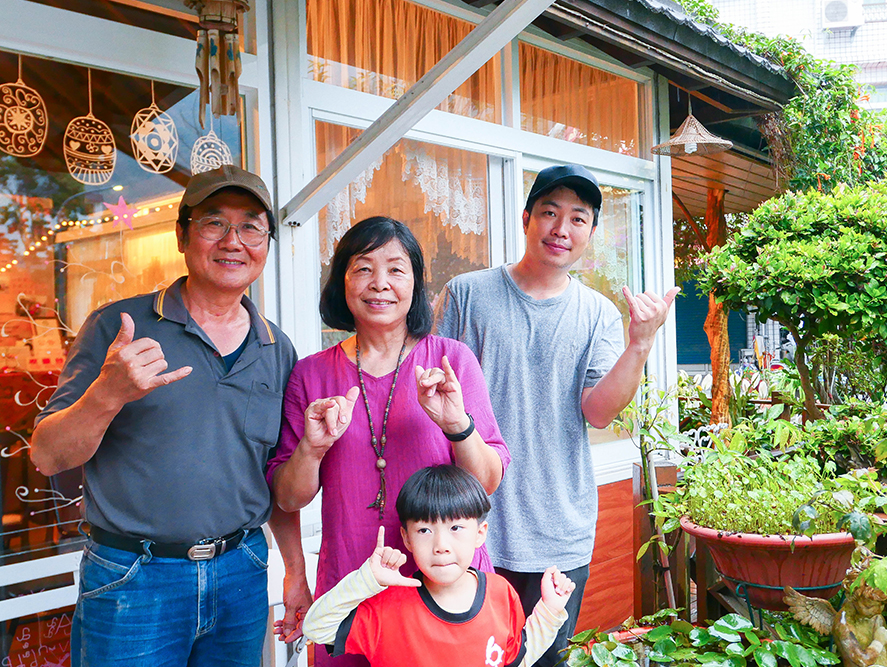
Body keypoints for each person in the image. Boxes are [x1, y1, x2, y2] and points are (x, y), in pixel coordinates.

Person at [29, 165, 311, 666]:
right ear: (182, 235)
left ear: (266, 243)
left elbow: (273, 476)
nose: (233, 241)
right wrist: (107, 394)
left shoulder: (276, 347)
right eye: (213, 223)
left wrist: (294, 569)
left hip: (242, 571)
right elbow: (48, 455)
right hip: (133, 577)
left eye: (250, 227)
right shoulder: (120, 327)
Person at [436, 164, 680, 665]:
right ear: (526, 218)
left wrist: (641, 342)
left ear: (590, 233)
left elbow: (599, 412)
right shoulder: (468, 293)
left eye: (578, 218)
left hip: (557, 529)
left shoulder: (598, 314)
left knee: (545, 657)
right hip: (468, 524)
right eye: (549, 213)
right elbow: (437, 397)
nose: (561, 229)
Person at [267, 216, 510, 667]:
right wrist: (312, 449)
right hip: (349, 585)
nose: (380, 283)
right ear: (342, 281)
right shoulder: (311, 374)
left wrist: (457, 423)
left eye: (396, 269)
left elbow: (487, 482)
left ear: (416, 283)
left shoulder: (451, 360)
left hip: (445, 582)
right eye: (363, 268)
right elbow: (287, 497)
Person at [302, 465, 575, 667]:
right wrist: (365, 580)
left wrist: (550, 610)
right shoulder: (386, 607)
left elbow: (517, 658)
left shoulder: (499, 592)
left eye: (456, 527)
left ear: (480, 533)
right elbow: (315, 628)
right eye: (424, 531)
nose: (441, 545)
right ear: (406, 538)